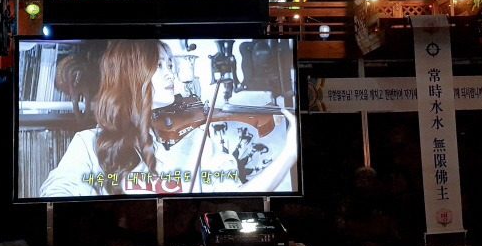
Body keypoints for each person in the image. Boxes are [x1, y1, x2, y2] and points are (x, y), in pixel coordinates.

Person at [39, 39, 297, 197]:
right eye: (159, 66)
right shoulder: (88, 144)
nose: (170, 75)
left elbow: (238, 196)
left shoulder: (196, 141)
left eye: (170, 66)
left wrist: (289, 154)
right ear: (130, 75)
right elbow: (56, 192)